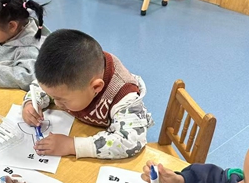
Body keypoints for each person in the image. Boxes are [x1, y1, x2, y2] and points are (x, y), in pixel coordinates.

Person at [22, 29, 154, 159]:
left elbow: (130, 141)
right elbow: (41, 87)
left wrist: (72, 146)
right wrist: (31, 103)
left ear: (96, 87)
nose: (57, 103)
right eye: (53, 97)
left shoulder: (124, 97)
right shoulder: (64, 80)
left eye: (63, 100)